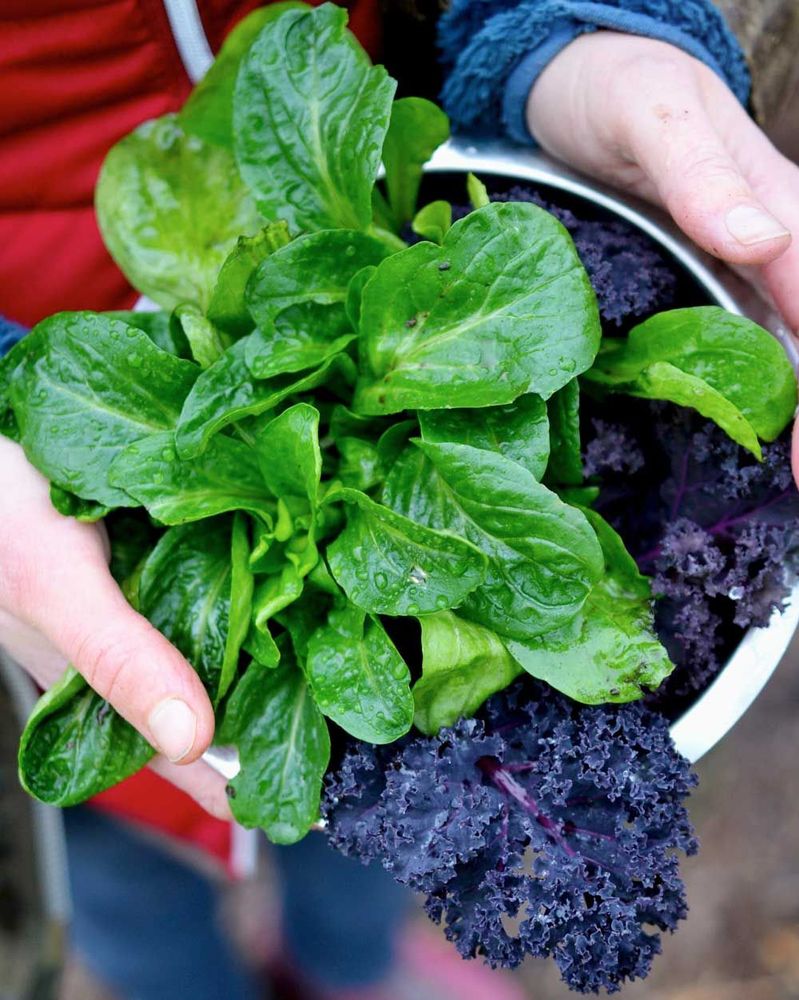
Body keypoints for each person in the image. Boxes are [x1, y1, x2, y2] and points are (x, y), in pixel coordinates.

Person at [1, 0, 797, 997]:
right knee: (128, 880)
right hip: (40, 539)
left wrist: (562, 34)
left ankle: (351, 966)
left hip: (306, 259)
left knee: (373, 828)